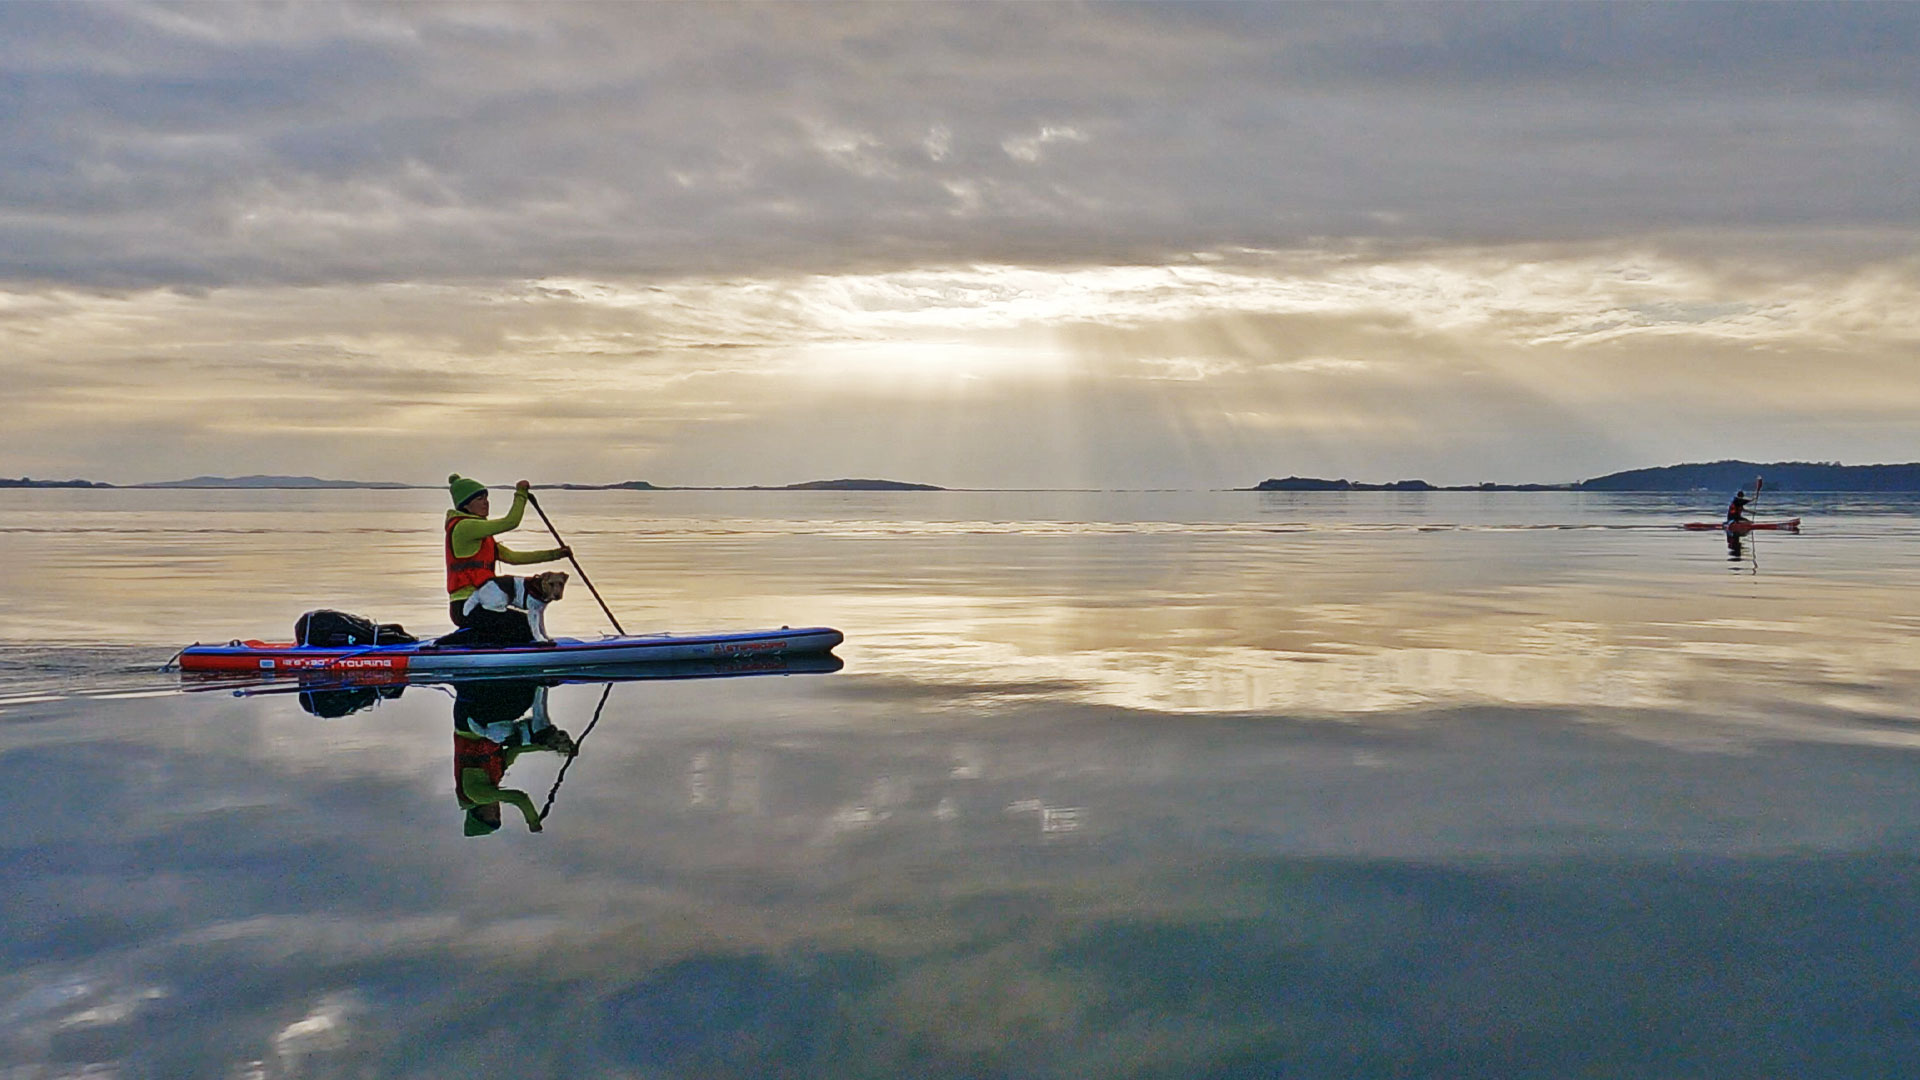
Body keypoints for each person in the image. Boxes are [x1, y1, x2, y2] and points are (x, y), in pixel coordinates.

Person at [443, 474, 571, 643]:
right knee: (524, 628)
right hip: (466, 605)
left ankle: (480, 638)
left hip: (484, 601)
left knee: (525, 626)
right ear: (466, 504)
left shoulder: (479, 534)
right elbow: (511, 522)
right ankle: (451, 642)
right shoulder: (465, 527)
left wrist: (555, 554)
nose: (486, 502)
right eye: (480, 499)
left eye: (486, 497)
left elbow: (513, 557)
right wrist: (521, 494)